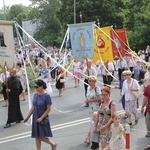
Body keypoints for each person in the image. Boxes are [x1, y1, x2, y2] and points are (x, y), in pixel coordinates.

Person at [24, 79, 57, 150]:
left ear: (42, 86)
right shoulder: (36, 95)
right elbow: (33, 107)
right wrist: (27, 117)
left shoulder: (47, 96)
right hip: (35, 117)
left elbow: (49, 109)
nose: (35, 88)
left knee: (41, 137)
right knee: (37, 136)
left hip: (42, 117)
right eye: (35, 87)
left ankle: (53, 144)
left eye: (37, 87)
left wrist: (41, 118)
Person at [84, 75, 101, 144]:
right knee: (93, 122)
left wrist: (89, 101)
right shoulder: (88, 88)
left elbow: (99, 98)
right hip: (91, 108)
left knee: (93, 123)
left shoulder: (97, 88)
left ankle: (88, 137)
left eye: (91, 81)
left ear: (95, 81)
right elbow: (88, 96)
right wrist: (87, 100)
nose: (89, 82)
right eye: (89, 80)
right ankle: (93, 135)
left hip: (96, 108)